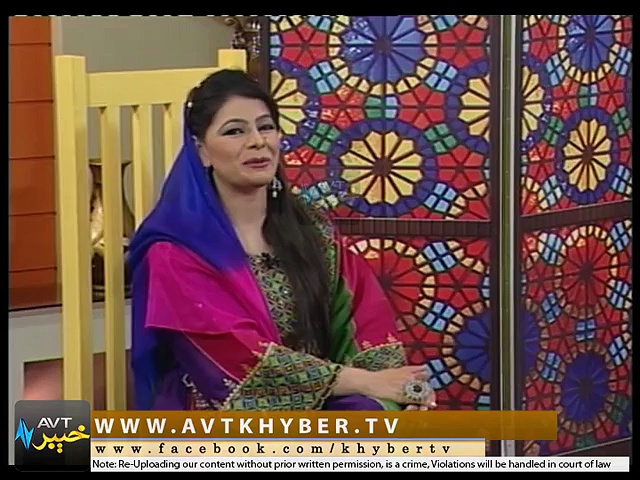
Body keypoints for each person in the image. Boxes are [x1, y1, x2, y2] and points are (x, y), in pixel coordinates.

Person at [127, 69, 437, 412]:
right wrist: (363, 382)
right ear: (201, 151)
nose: (257, 141)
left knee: (378, 415)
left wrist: (392, 390)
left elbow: (363, 318)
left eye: (266, 127)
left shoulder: (310, 229)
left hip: (322, 398)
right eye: (235, 131)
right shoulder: (175, 249)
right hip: (222, 412)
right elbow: (235, 361)